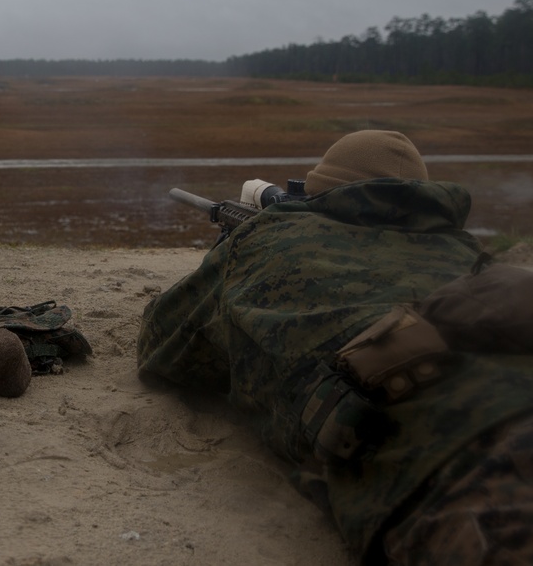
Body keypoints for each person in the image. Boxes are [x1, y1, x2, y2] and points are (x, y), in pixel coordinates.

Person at [137, 130, 533, 564]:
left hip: (460, 474)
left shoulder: (270, 236)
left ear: (320, 191)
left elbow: (163, 349)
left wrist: (230, 255)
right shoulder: (468, 252)